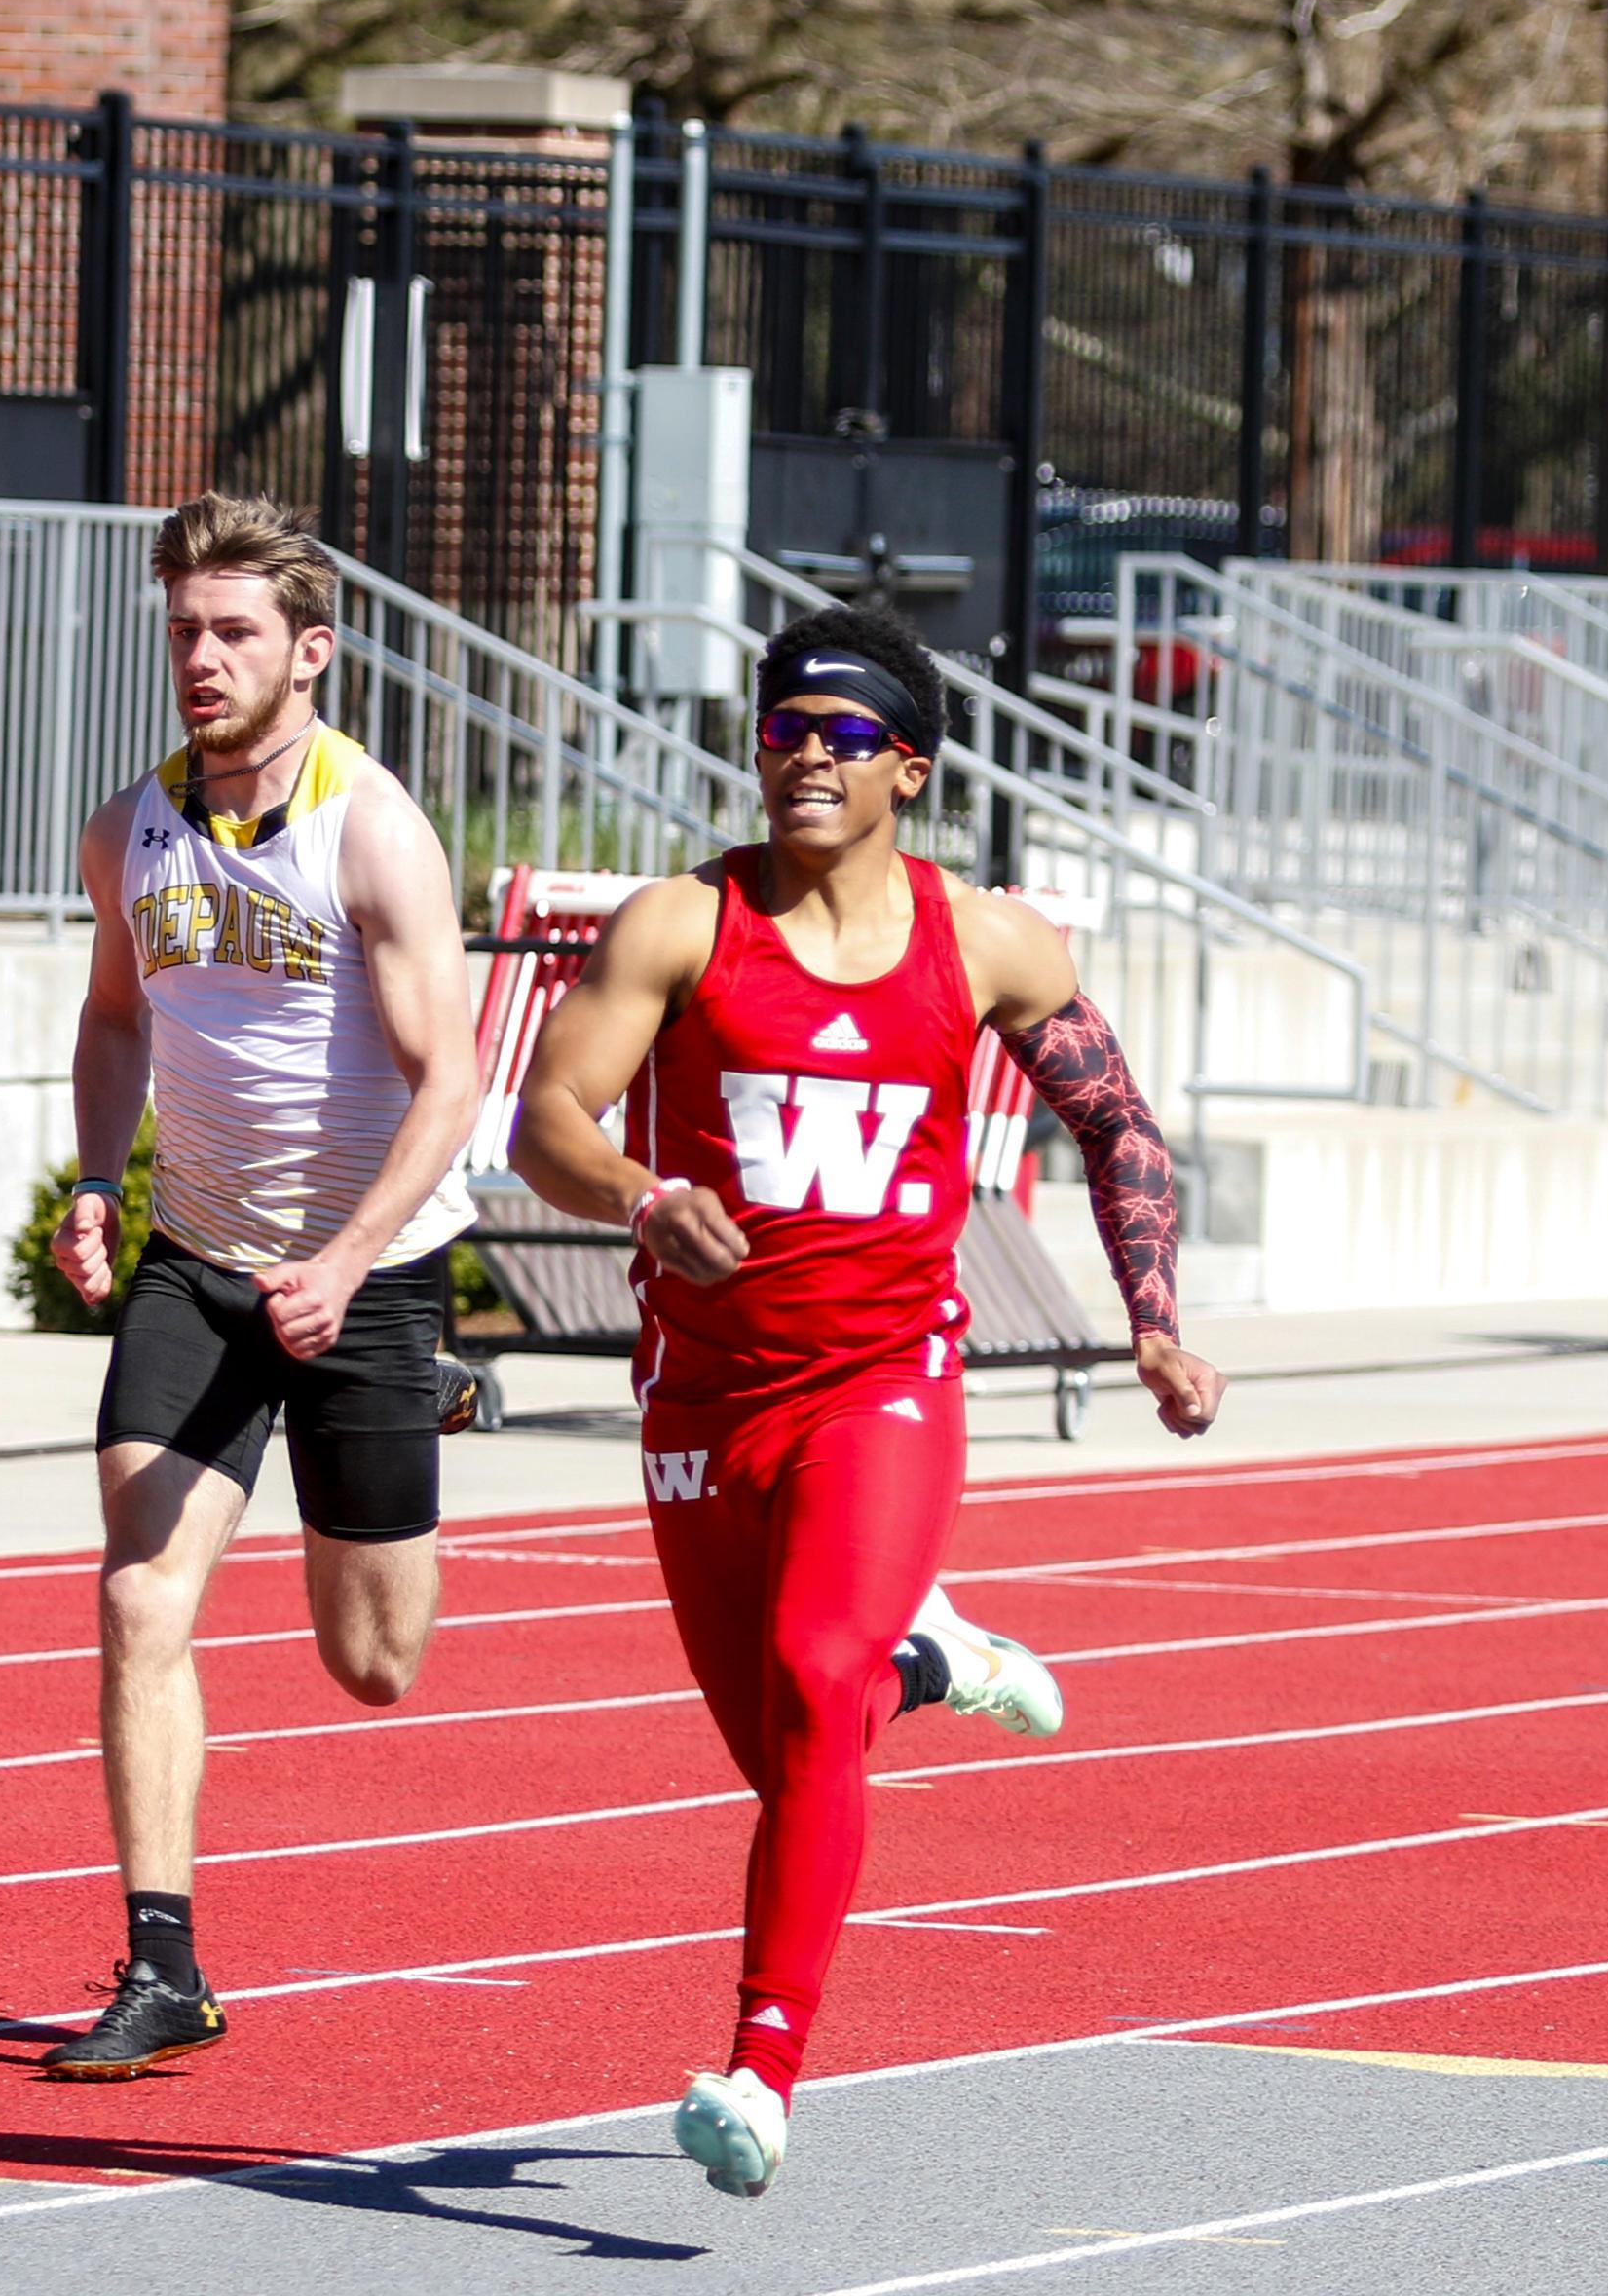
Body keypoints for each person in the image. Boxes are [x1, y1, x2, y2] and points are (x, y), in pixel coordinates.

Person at [508, 600, 1225, 2197]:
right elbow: (546, 1114)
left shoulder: (984, 941)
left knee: (817, 1683)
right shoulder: (679, 926)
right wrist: (636, 1194)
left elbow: (1121, 1131)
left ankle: (761, 2072)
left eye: (840, 736)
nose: (804, 759)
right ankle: (933, 1653)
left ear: (907, 764)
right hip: (705, 1405)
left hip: (883, 1383)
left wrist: (1156, 1325)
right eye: (780, 729)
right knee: (789, 1755)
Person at [40, 493, 481, 2078]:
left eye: (233, 632)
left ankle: (413, 1410)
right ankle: (164, 1963)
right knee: (139, 1590)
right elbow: (111, 1021)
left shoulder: (371, 830)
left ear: (313, 650)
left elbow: (452, 1080)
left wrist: (350, 1261)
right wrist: (99, 1180)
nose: (201, 659)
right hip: (199, 1268)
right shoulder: (127, 827)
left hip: (364, 1277)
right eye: (183, 631)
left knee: (374, 1665)